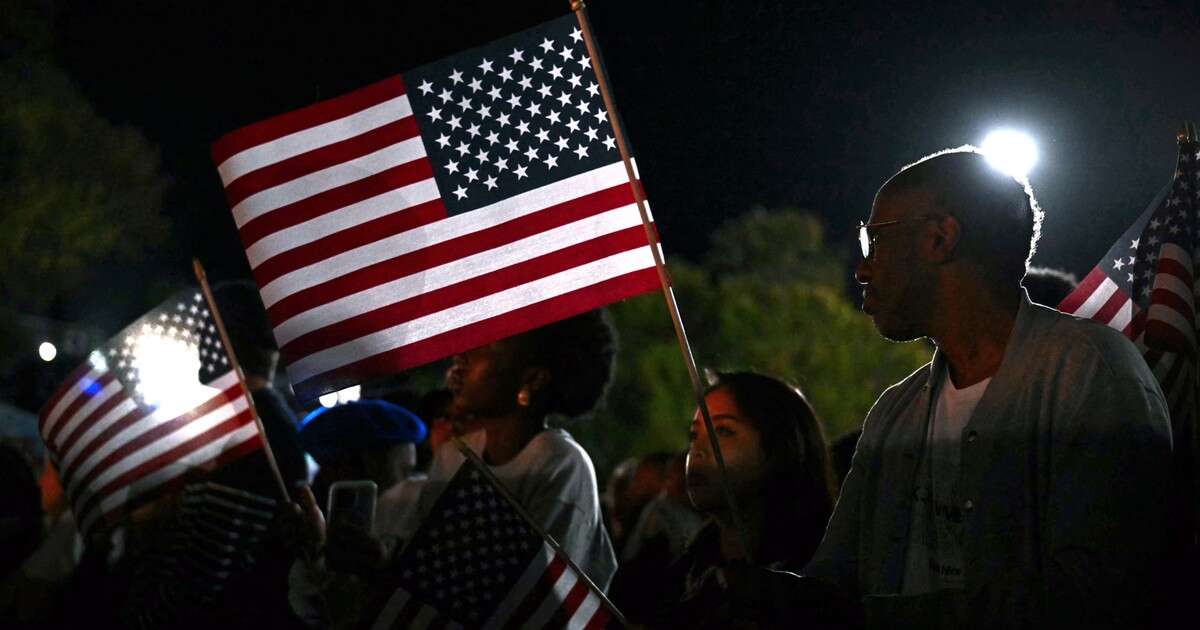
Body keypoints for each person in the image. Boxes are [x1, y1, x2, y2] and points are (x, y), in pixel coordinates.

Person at [805, 147, 1173, 628]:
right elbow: (834, 579)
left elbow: (1099, 595)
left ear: (940, 238)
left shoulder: (1090, 375)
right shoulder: (895, 410)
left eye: (874, 240)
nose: (862, 268)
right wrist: (766, 595)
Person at [634, 371, 837, 627]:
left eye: (723, 431)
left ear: (780, 448)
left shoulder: (819, 578)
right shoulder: (683, 574)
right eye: (694, 435)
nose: (697, 450)